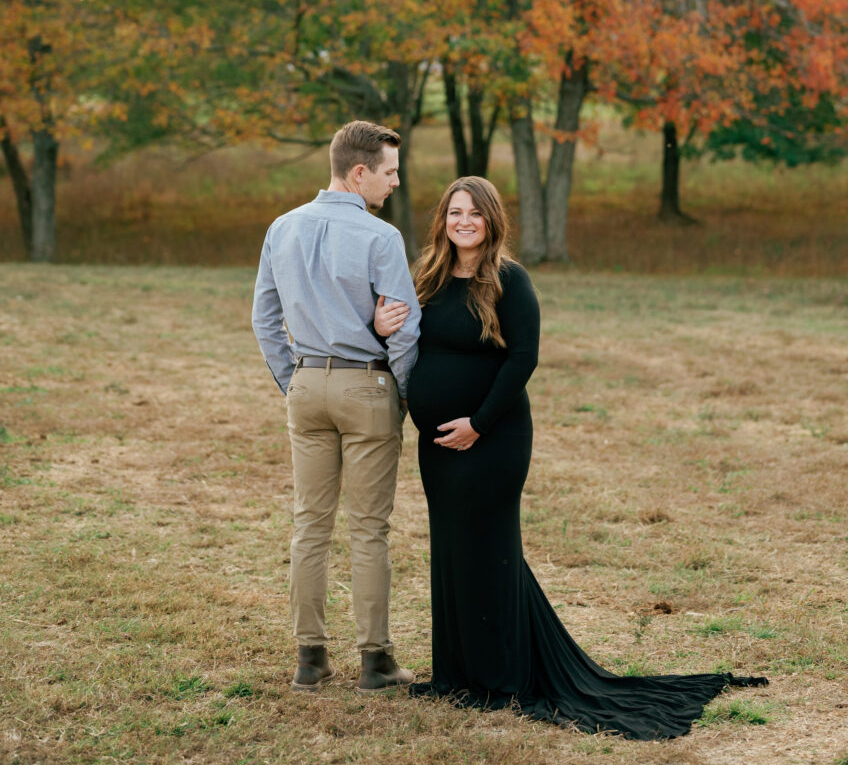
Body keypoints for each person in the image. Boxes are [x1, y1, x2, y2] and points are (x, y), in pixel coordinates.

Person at [374, 176, 766, 740]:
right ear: (442, 219)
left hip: (493, 440)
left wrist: (478, 425)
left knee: (490, 546)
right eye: (454, 212)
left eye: (474, 214)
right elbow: (407, 340)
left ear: (491, 221)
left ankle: (501, 678)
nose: (463, 222)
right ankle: (459, 674)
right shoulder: (427, 277)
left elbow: (523, 360)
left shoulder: (510, 279)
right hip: (438, 446)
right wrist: (379, 326)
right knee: (454, 550)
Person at [252, 120, 422, 694]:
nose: (395, 182)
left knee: (310, 525)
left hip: (307, 386)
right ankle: (376, 661)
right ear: (359, 172)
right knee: (370, 528)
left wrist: (292, 380)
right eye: (389, 172)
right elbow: (405, 328)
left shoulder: (282, 227)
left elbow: (263, 318)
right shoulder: (382, 237)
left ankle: (310, 659)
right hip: (367, 388)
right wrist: (398, 392)